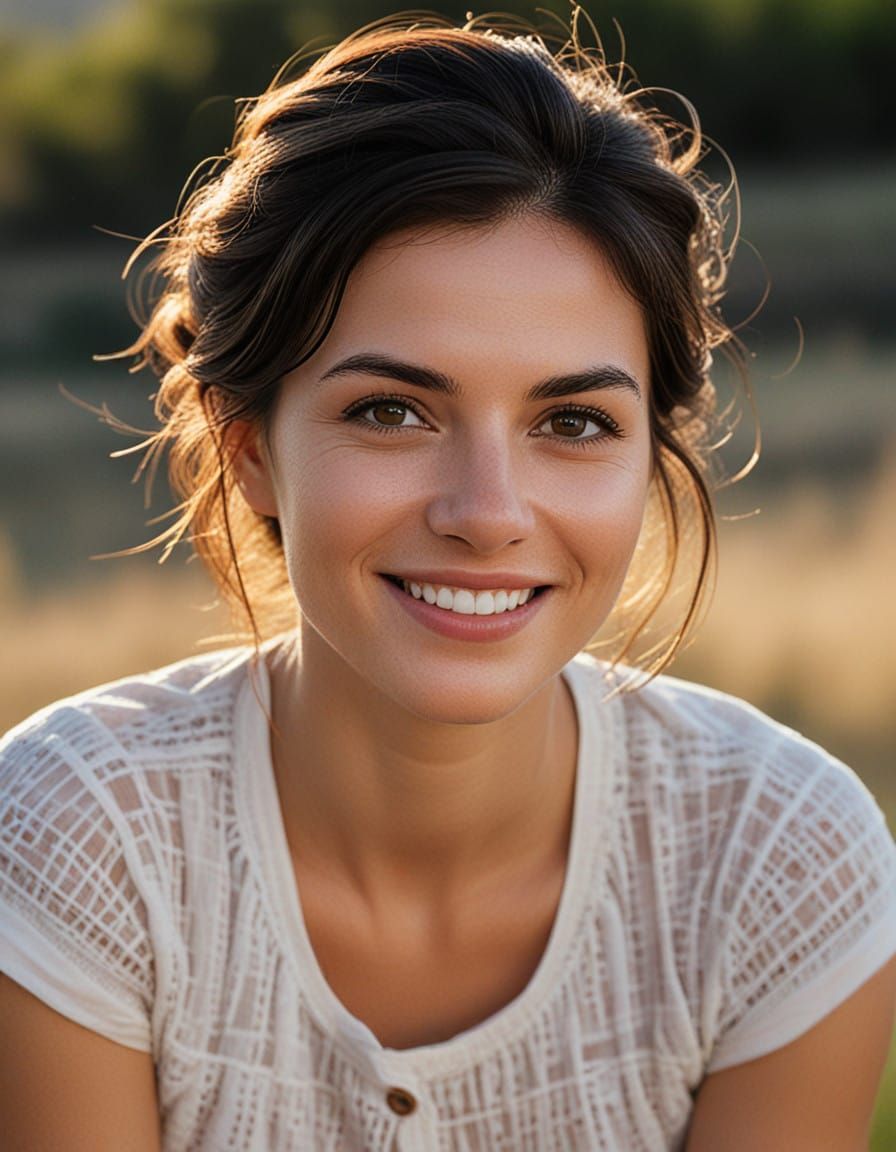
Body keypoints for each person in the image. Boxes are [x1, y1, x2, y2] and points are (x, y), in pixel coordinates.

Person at [1, 9, 894, 1151]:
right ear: (251, 449)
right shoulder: (82, 842)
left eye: (571, 421)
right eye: (390, 411)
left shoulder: (776, 860)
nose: (486, 512)